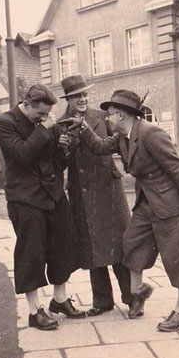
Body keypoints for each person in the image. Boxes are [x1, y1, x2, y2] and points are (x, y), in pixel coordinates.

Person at [66, 89, 179, 331]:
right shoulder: (122, 136)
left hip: (170, 203)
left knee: (177, 257)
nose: (106, 119)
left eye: (109, 115)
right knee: (131, 244)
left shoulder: (150, 134)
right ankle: (138, 292)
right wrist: (82, 127)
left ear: (121, 115)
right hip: (146, 202)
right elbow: (100, 147)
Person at [0, 84, 85, 331]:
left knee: (63, 247)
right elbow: (21, 155)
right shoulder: (4, 122)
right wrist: (45, 129)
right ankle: (35, 311)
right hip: (25, 198)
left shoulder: (46, 124)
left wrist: (65, 147)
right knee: (31, 254)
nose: (45, 118)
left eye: (47, 114)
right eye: (40, 114)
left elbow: (58, 162)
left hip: (53, 195)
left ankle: (60, 300)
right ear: (26, 103)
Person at [59, 75, 132, 316]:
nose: (82, 99)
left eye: (84, 95)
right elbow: (61, 162)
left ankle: (132, 298)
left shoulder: (101, 117)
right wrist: (65, 148)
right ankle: (102, 301)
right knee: (92, 246)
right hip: (82, 191)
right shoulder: (61, 123)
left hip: (108, 187)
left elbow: (115, 142)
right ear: (68, 99)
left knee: (119, 245)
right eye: (76, 96)